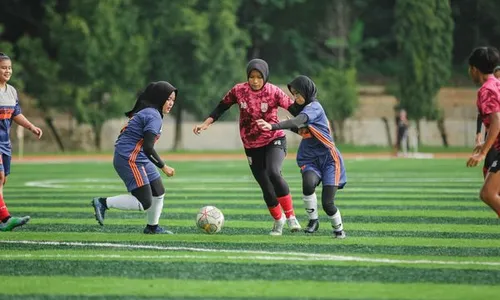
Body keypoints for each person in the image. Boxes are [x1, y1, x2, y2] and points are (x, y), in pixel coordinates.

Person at [193, 58, 301, 236]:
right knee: (266, 186)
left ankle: (291, 217)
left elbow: (295, 110)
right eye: (252, 76)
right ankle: (278, 221)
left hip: (274, 138)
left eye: (259, 77)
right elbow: (222, 107)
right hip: (251, 145)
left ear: (265, 77)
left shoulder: (273, 91)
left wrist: (311, 121)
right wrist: (206, 123)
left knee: (274, 172)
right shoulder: (239, 90)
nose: (255, 80)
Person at [256, 75, 347, 238]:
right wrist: (290, 127)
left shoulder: (314, 107)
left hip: (329, 160)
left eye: (298, 94)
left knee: (328, 203)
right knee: (307, 183)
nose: (295, 98)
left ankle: (339, 230)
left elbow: (299, 121)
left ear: (307, 91)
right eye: (294, 94)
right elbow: (305, 131)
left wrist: (273, 126)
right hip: (310, 158)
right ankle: (313, 221)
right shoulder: (305, 108)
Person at [92, 81, 177, 234]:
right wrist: (164, 166)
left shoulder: (151, 112)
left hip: (137, 156)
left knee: (158, 190)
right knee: (145, 202)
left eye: (173, 100)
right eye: (168, 98)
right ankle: (103, 202)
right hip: (129, 158)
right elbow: (148, 147)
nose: (171, 103)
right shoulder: (153, 116)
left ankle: (152, 227)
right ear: (160, 97)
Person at [0, 52, 43, 232]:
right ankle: (6, 218)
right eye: (3, 67)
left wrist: (31, 127)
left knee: (2, 181)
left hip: (4, 143)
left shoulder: (11, 91)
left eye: (9, 67)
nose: (7, 70)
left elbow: (16, 113)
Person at [466, 46, 500, 218]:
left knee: (488, 194)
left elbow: (496, 121)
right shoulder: (497, 84)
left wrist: (483, 153)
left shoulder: (486, 90)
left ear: (474, 69)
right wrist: (484, 143)